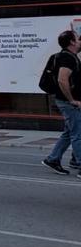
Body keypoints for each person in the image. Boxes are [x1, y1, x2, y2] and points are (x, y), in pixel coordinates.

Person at [42, 30, 81, 176]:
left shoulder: (70, 56)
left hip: (67, 101)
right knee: (78, 134)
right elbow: (62, 79)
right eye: (77, 38)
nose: (78, 40)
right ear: (72, 42)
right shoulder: (67, 58)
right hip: (69, 103)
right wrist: (72, 100)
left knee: (69, 132)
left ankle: (53, 159)